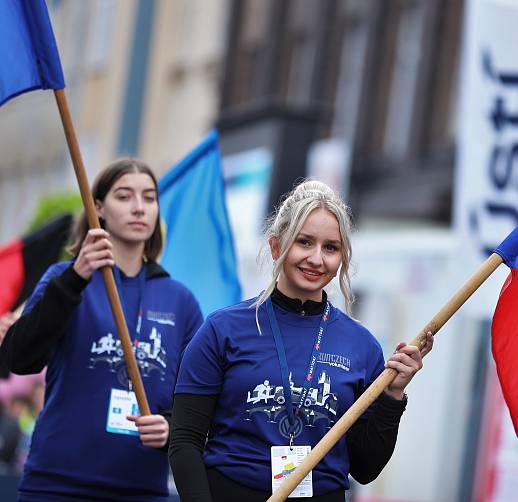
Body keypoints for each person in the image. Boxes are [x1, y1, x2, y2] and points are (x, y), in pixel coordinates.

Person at [169, 180, 433, 501]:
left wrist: (393, 395)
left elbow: (366, 468)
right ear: (277, 246)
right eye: (304, 242)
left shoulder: (362, 346)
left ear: (343, 258)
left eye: (331, 248)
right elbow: (184, 441)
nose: (317, 259)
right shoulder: (222, 329)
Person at [0, 159, 203, 501]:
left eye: (149, 198)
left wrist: (170, 428)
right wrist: (75, 278)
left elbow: (199, 403)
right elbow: (20, 358)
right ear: (98, 208)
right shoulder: (63, 279)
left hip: (141, 489)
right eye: (124, 196)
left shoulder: (180, 301)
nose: (139, 207)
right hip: (55, 484)